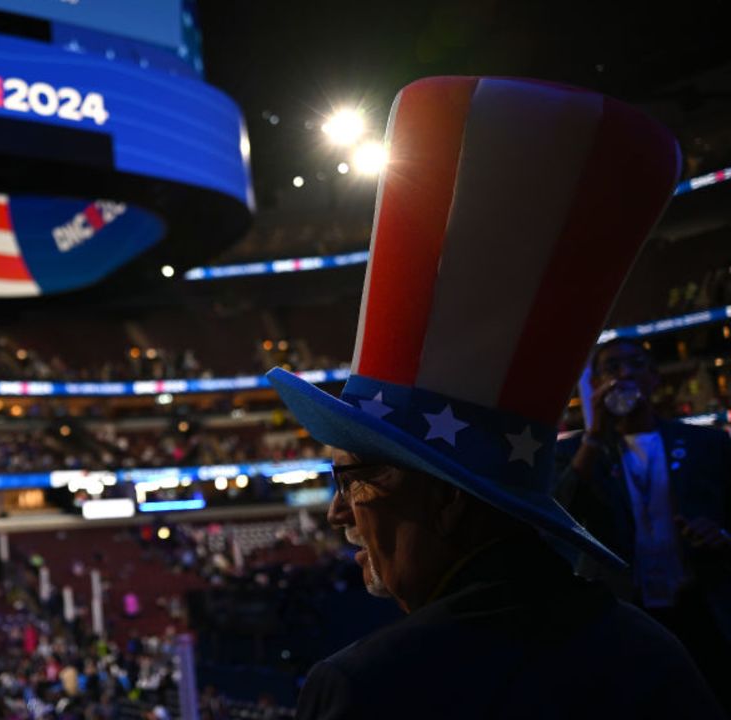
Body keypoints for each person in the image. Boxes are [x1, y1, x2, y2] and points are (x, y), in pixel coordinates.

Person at [265, 75, 725, 718]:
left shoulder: (365, 688)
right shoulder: (655, 655)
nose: (338, 513)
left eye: (351, 479)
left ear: (451, 497)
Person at [558, 337, 731, 708]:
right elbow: (561, 513)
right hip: (625, 615)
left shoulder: (707, 444)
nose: (625, 374)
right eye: (612, 368)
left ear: (654, 378)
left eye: (636, 364)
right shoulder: (580, 453)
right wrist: (594, 437)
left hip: (701, 606)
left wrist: (720, 534)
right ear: (598, 386)